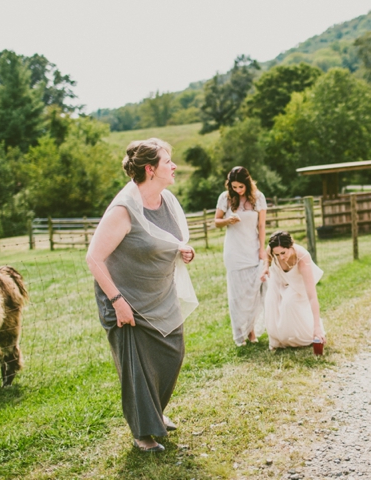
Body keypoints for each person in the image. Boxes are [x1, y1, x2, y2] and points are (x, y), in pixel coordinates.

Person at [86, 138, 198, 453]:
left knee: (171, 354)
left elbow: (158, 238)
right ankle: (143, 433)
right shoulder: (124, 208)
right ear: (150, 169)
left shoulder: (167, 201)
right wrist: (118, 302)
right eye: (168, 162)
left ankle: (154, 414)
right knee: (137, 368)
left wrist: (181, 249)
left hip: (159, 296)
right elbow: (94, 259)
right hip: (125, 299)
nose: (174, 166)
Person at [215, 166, 267, 346]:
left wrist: (262, 249)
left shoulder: (258, 198)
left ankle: (251, 332)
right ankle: (239, 334)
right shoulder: (225, 198)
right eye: (234, 187)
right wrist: (228, 220)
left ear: (247, 183)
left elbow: (261, 226)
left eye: (241, 187)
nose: (237, 190)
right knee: (237, 295)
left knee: (253, 292)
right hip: (234, 252)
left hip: (252, 249)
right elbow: (216, 222)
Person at [263, 231, 326, 350]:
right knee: (270, 301)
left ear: (291, 246)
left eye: (283, 253)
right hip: (278, 276)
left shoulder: (302, 259)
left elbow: (312, 296)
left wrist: (317, 327)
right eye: (277, 254)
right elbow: (267, 254)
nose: (281, 257)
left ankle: (309, 334)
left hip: (298, 281)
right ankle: (279, 339)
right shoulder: (272, 249)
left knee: (289, 302)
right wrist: (266, 267)